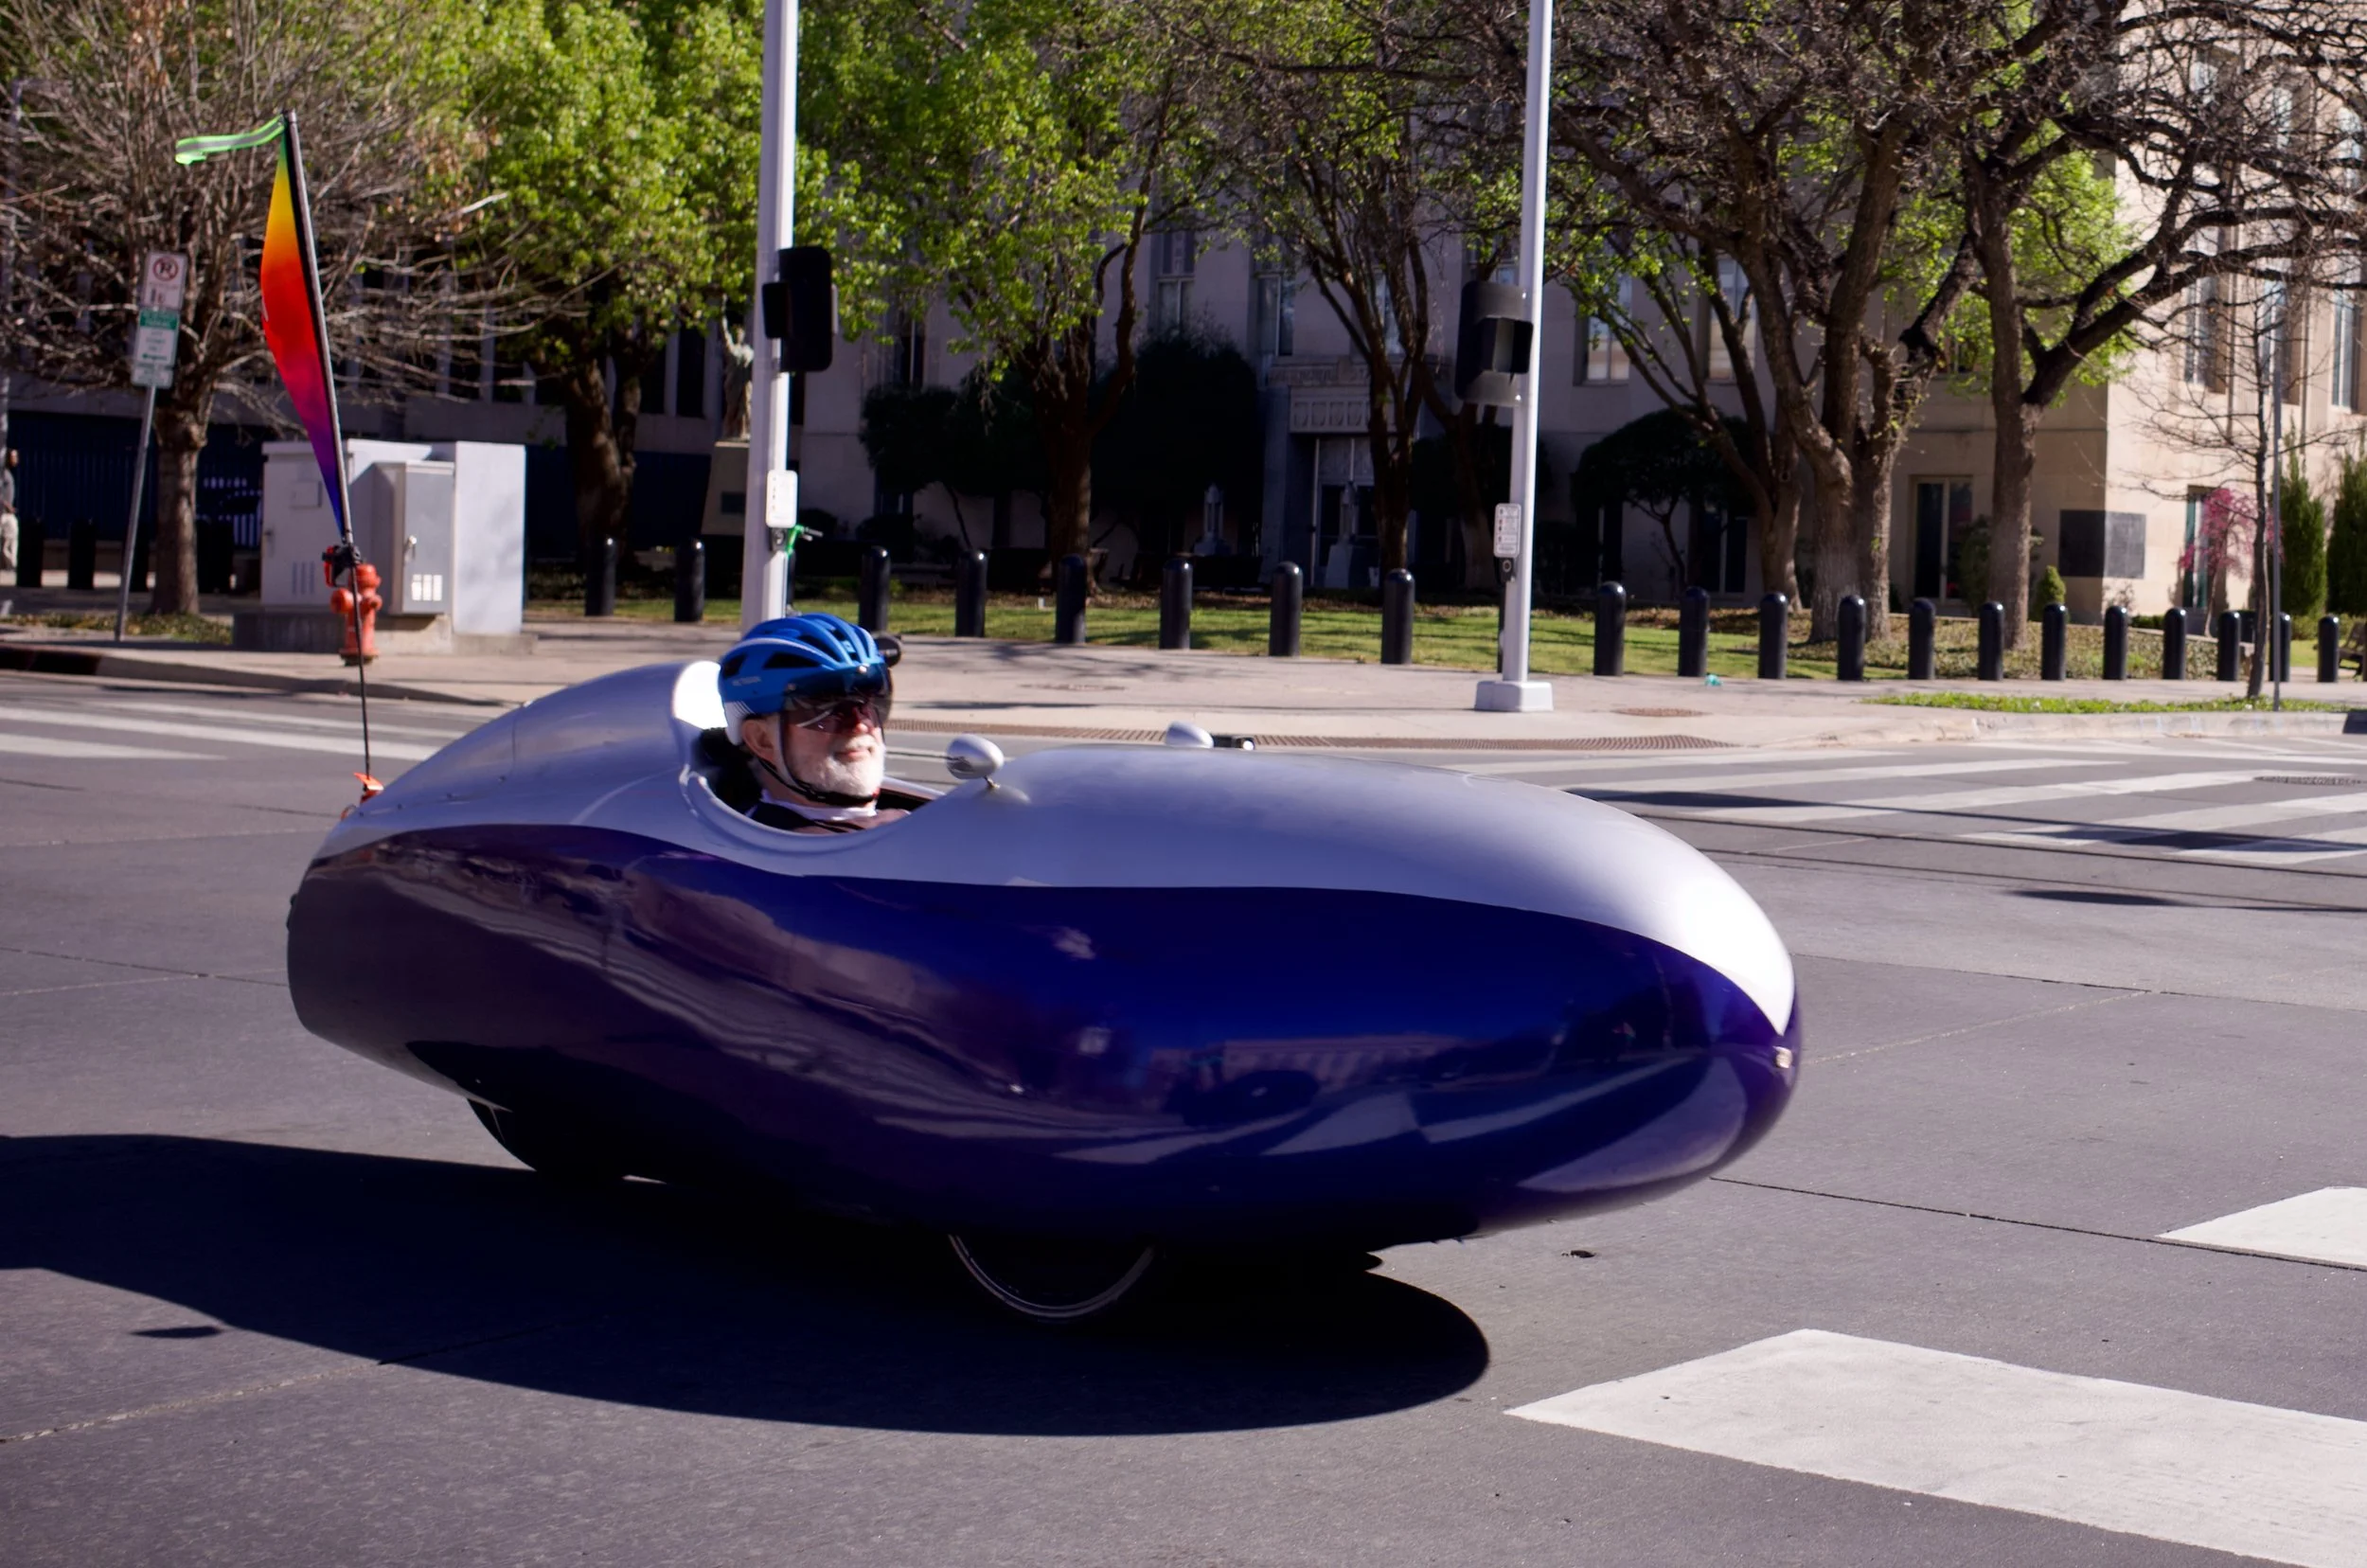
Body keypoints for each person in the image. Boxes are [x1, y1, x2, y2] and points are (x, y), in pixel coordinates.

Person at [714, 613, 926, 834]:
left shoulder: (903, 821)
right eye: (825, 709)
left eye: (868, 702)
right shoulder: (784, 848)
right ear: (762, 740)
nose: (860, 725)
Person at [0, 448, 18, 580]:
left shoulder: (8, 473)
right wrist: (8, 505)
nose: (16, 459)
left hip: (8, 514)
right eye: (13, 456)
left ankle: (12, 566)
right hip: (3, 513)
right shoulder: (3, 474)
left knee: (12, 539)